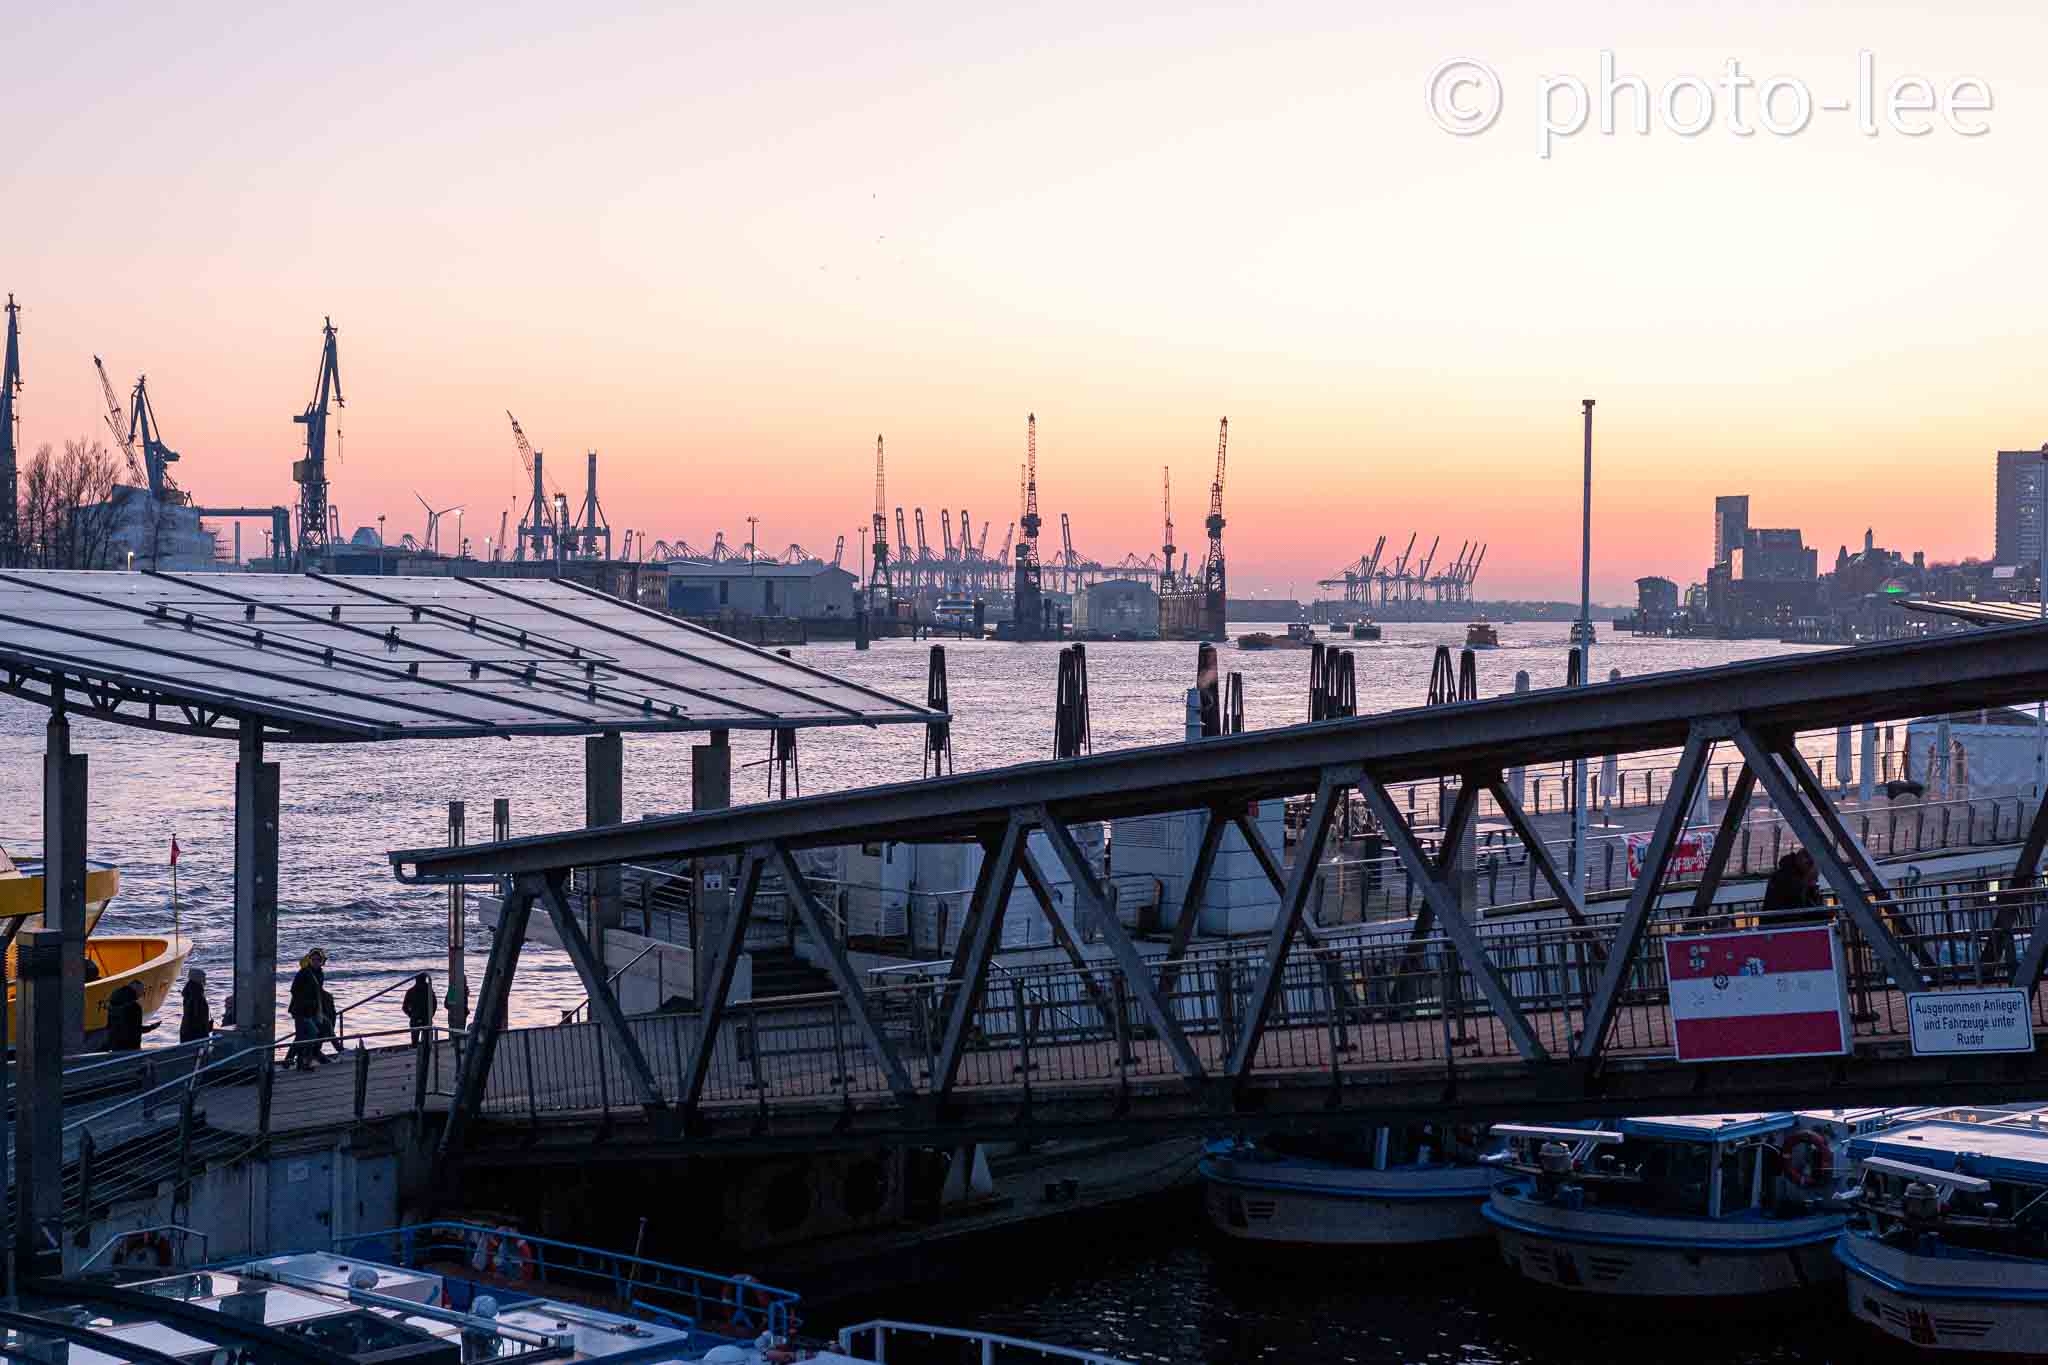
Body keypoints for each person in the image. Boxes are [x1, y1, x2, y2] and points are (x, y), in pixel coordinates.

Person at [1762, 849, 1826, 924]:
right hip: (1779, 925)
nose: (1817, 879)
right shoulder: (1788, 879)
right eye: (1815, 876)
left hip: (1781, 923)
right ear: (1806, 863)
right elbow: (1801, 908)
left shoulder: (1791, 875)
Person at [287, 948, 326, 1070]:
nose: (315, 962)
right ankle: (305, 1061)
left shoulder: (319, 973)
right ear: (309, 960)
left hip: (312, 1010)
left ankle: (293, 1061)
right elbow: (294, 990)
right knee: (311, 1033)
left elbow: (318, 991)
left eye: (318, 960)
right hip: (300, 1010)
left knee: (301, 1036)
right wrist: (306, 1001)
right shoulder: (303, 972)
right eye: (313, 959)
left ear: (322, 961)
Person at [105, 983, 144, 1051]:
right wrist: (150, 1028)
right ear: (136, 990)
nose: (141, 994)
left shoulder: (113, 1003)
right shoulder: (134, 1006)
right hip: (130, 1046)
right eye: (141, 990)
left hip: (114, 1043)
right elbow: (135, 1029)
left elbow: (110, 1024)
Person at [179, 967, 212, 1043]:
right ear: (198, 978)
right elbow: (197, 1016)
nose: (205, 979)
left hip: (187, 1032)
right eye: (203, 977)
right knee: (196, 1053)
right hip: (195, 1035)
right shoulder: (196, 994)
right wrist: (205, 1028)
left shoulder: (190, 992)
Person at [402, 973, 435, 1045]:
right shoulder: (429, 991)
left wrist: (411, 1015)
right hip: (426, 1017)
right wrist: (431, 1015)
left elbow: (404, 1007)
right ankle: (425, 1054)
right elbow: (435, 1004)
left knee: (415, 1042)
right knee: (427, 1042)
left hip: (416, 1018)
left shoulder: (410, 991)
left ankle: (415, 1050)